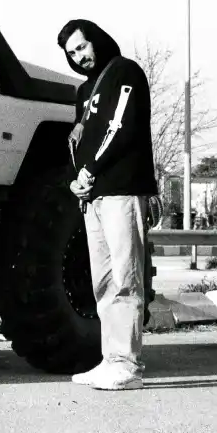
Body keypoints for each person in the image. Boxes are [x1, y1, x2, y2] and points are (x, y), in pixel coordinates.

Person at [57, 19, 156, 391]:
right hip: (93, 196)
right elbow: (79, 141)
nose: (79, 57)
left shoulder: (124, 71)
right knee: (103, 283)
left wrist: (92, 170)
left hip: (121, 192)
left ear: (95, 40)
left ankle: (128, 365)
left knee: (126, 279)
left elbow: (121, 125)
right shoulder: (84, 91)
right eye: (71, 54)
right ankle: (110, 359)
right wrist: (75, 178)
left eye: (82, 47)